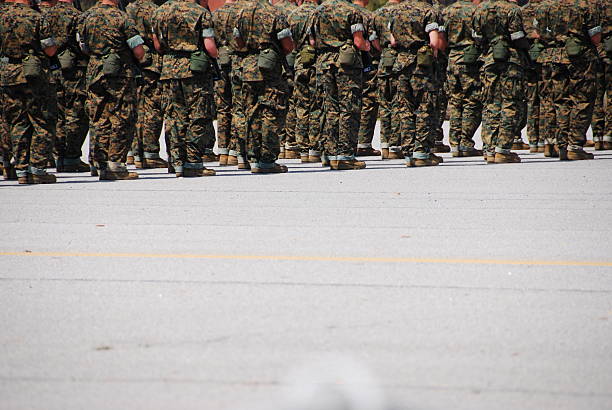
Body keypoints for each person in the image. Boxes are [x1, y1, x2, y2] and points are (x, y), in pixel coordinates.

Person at [80, 0, 145, 180]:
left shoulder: (86, 17)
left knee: (98, 116)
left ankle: (98, 162)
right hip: (120, 73)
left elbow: (83, 47)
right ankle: (115, 164)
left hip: (94, 71)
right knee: (123, 117)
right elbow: (138, 50)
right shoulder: (122, 17)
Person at [152, 0, 218, 177]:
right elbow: (210, 46)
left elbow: (157, 45)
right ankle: (193, 162)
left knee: (173, 116)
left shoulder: (159, 12)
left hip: (169, 69)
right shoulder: (201, 13)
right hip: (194, 69)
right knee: (199, 115)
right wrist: (216, 56)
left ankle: (176, 162)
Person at [532, 0, 601, 160]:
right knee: (582, 100)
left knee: (557, 101)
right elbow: (596, 38)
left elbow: (537, 32)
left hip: (551, 57)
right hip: (579, 58)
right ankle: (574, 145)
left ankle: (556, 143)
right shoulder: (585, 6)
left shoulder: (543, 7)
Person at [0, 0, 58, 184]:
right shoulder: (37, 17)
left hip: (8, 74)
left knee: (17, 121)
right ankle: (37, 169)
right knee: (42, 120)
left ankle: (21, 169)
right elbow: (49, 49)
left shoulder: (2, 15)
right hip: (34, 74)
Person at [234, 0, 294, 173]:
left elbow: (238, 41)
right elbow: (287, 44)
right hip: (270, 69)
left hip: (248, 68)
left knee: (251, 113)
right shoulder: (275, 14)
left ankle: (253, 157)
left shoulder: (241, 13)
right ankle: (267, 160)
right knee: (272, 112)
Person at [310, 0, 369, 170]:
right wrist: (366, 47)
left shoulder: (317, 12)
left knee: (330, 108)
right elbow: (358, 42)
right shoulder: (352, 11)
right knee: (349, 108)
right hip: (346, 65)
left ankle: (330, 153)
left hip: (323, 63)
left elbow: (312, 42)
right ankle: (345, 155)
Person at [472, 0, 529, 163]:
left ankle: (489, 149)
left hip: (488, 60)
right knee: (510, 103)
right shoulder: (512, 9)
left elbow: (477, 37)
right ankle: (503, 149)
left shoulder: (480, 9)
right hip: (511, 61)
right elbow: (517, 36)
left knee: (490, 103)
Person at [389, 0, 444, 167]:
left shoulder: (396, 11)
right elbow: (434, 41)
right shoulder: (429, 11)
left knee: (405, 108)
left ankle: (408, 152)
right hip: (422, 65)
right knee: (424, 107)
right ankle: (421, 153)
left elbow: (393, 41)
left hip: (401, 64)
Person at [44, 0, 91, 172]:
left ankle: (58, 156)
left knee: (57, 112)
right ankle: (71, 157)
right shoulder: (76, 16)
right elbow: (83, 45)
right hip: (74, 70)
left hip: (52, 68)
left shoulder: (45, 15)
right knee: (76, 112)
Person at [125, 0, 169, 169]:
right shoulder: (153, 10)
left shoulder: (127, 9)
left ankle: (133, 153)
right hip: (151, 64)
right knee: (152, 109)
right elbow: (157, 41)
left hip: (133, 62)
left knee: (136, 108)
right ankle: (150, 153)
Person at [443, 0, 483, 157]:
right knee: (472, 100)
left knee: (455, 101)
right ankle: (465, 142)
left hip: (452, 59)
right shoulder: (476, 11)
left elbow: (442, 38)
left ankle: (454, 143)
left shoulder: (447, 11)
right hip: (470, 60)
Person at [288, 0, 321, 163]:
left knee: (301, 106)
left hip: (299, 62)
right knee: (316, 106)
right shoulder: (318, 12)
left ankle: (302, 149)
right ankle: (314, 149)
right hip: (315, 63)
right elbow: (315, 41)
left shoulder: (293, 15)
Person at [372, 0, 401, 159]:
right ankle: (395, 146)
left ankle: (385, 145)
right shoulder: (402, 12)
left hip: (384, 60)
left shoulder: (377, 14)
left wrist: (383, 50)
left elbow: (373, 40)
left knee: (384, 104)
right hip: (400, 61)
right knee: (398, 102)